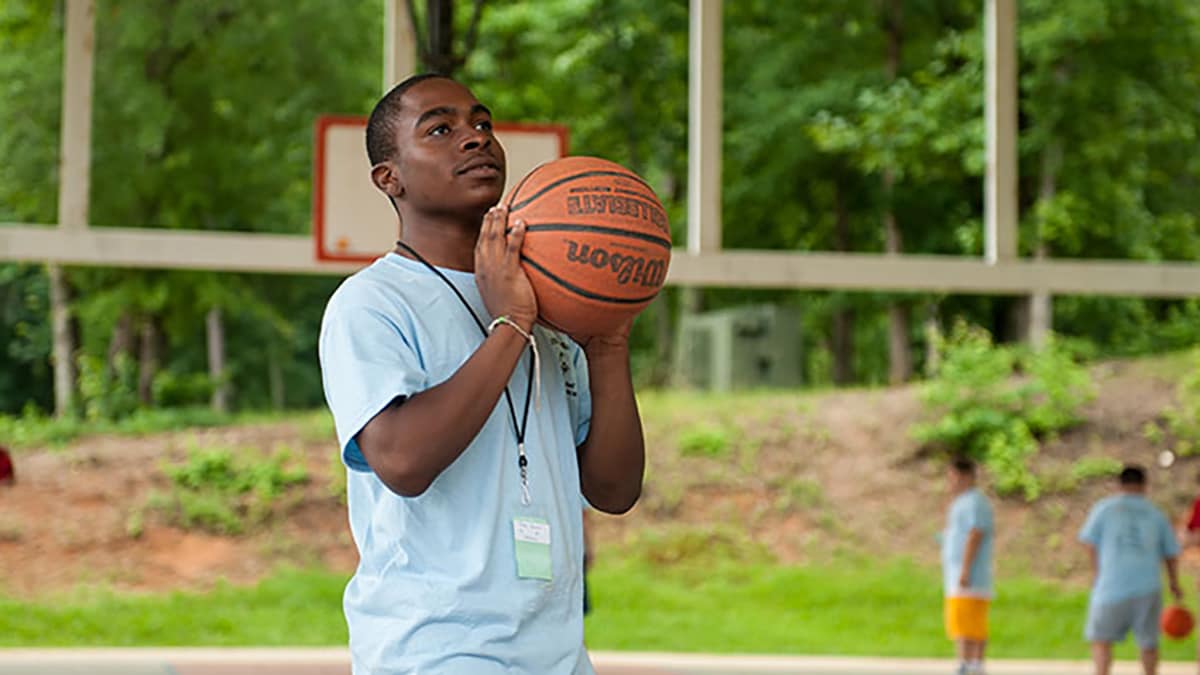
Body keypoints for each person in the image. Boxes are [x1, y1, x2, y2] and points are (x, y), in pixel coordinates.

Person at [318, 73, 645, 674]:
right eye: (440, 128)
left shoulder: (554, 305)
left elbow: (614, 490)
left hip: (560, 657)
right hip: (437, 651)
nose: (474, 138)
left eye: (482, 123)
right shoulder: (372, 303)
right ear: (389, 177)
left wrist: (608, 343)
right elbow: (403, 463)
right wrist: (510, 326)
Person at [1079, 465, 1182, 675]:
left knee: (1101, 640)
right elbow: (1171, 553)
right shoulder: (1156, 513)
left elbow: (1089, 542)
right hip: (1147, 586)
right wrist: (1173, 583)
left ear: (1119, 484)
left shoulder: (1105, 508)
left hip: (1110, 585)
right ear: (1144, 485)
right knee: (1148, 643)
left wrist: (1096, 572)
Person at [941, 457, 995, 675]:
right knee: (961, 621)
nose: (950, 482)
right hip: (958, 574)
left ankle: (972, 664)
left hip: (971, 576)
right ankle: (966, 663)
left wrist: (964, 569)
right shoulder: (961, 502)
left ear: (965, 476)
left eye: (952, 477)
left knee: (969, 622)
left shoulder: (974, 502)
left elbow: (976, 533)